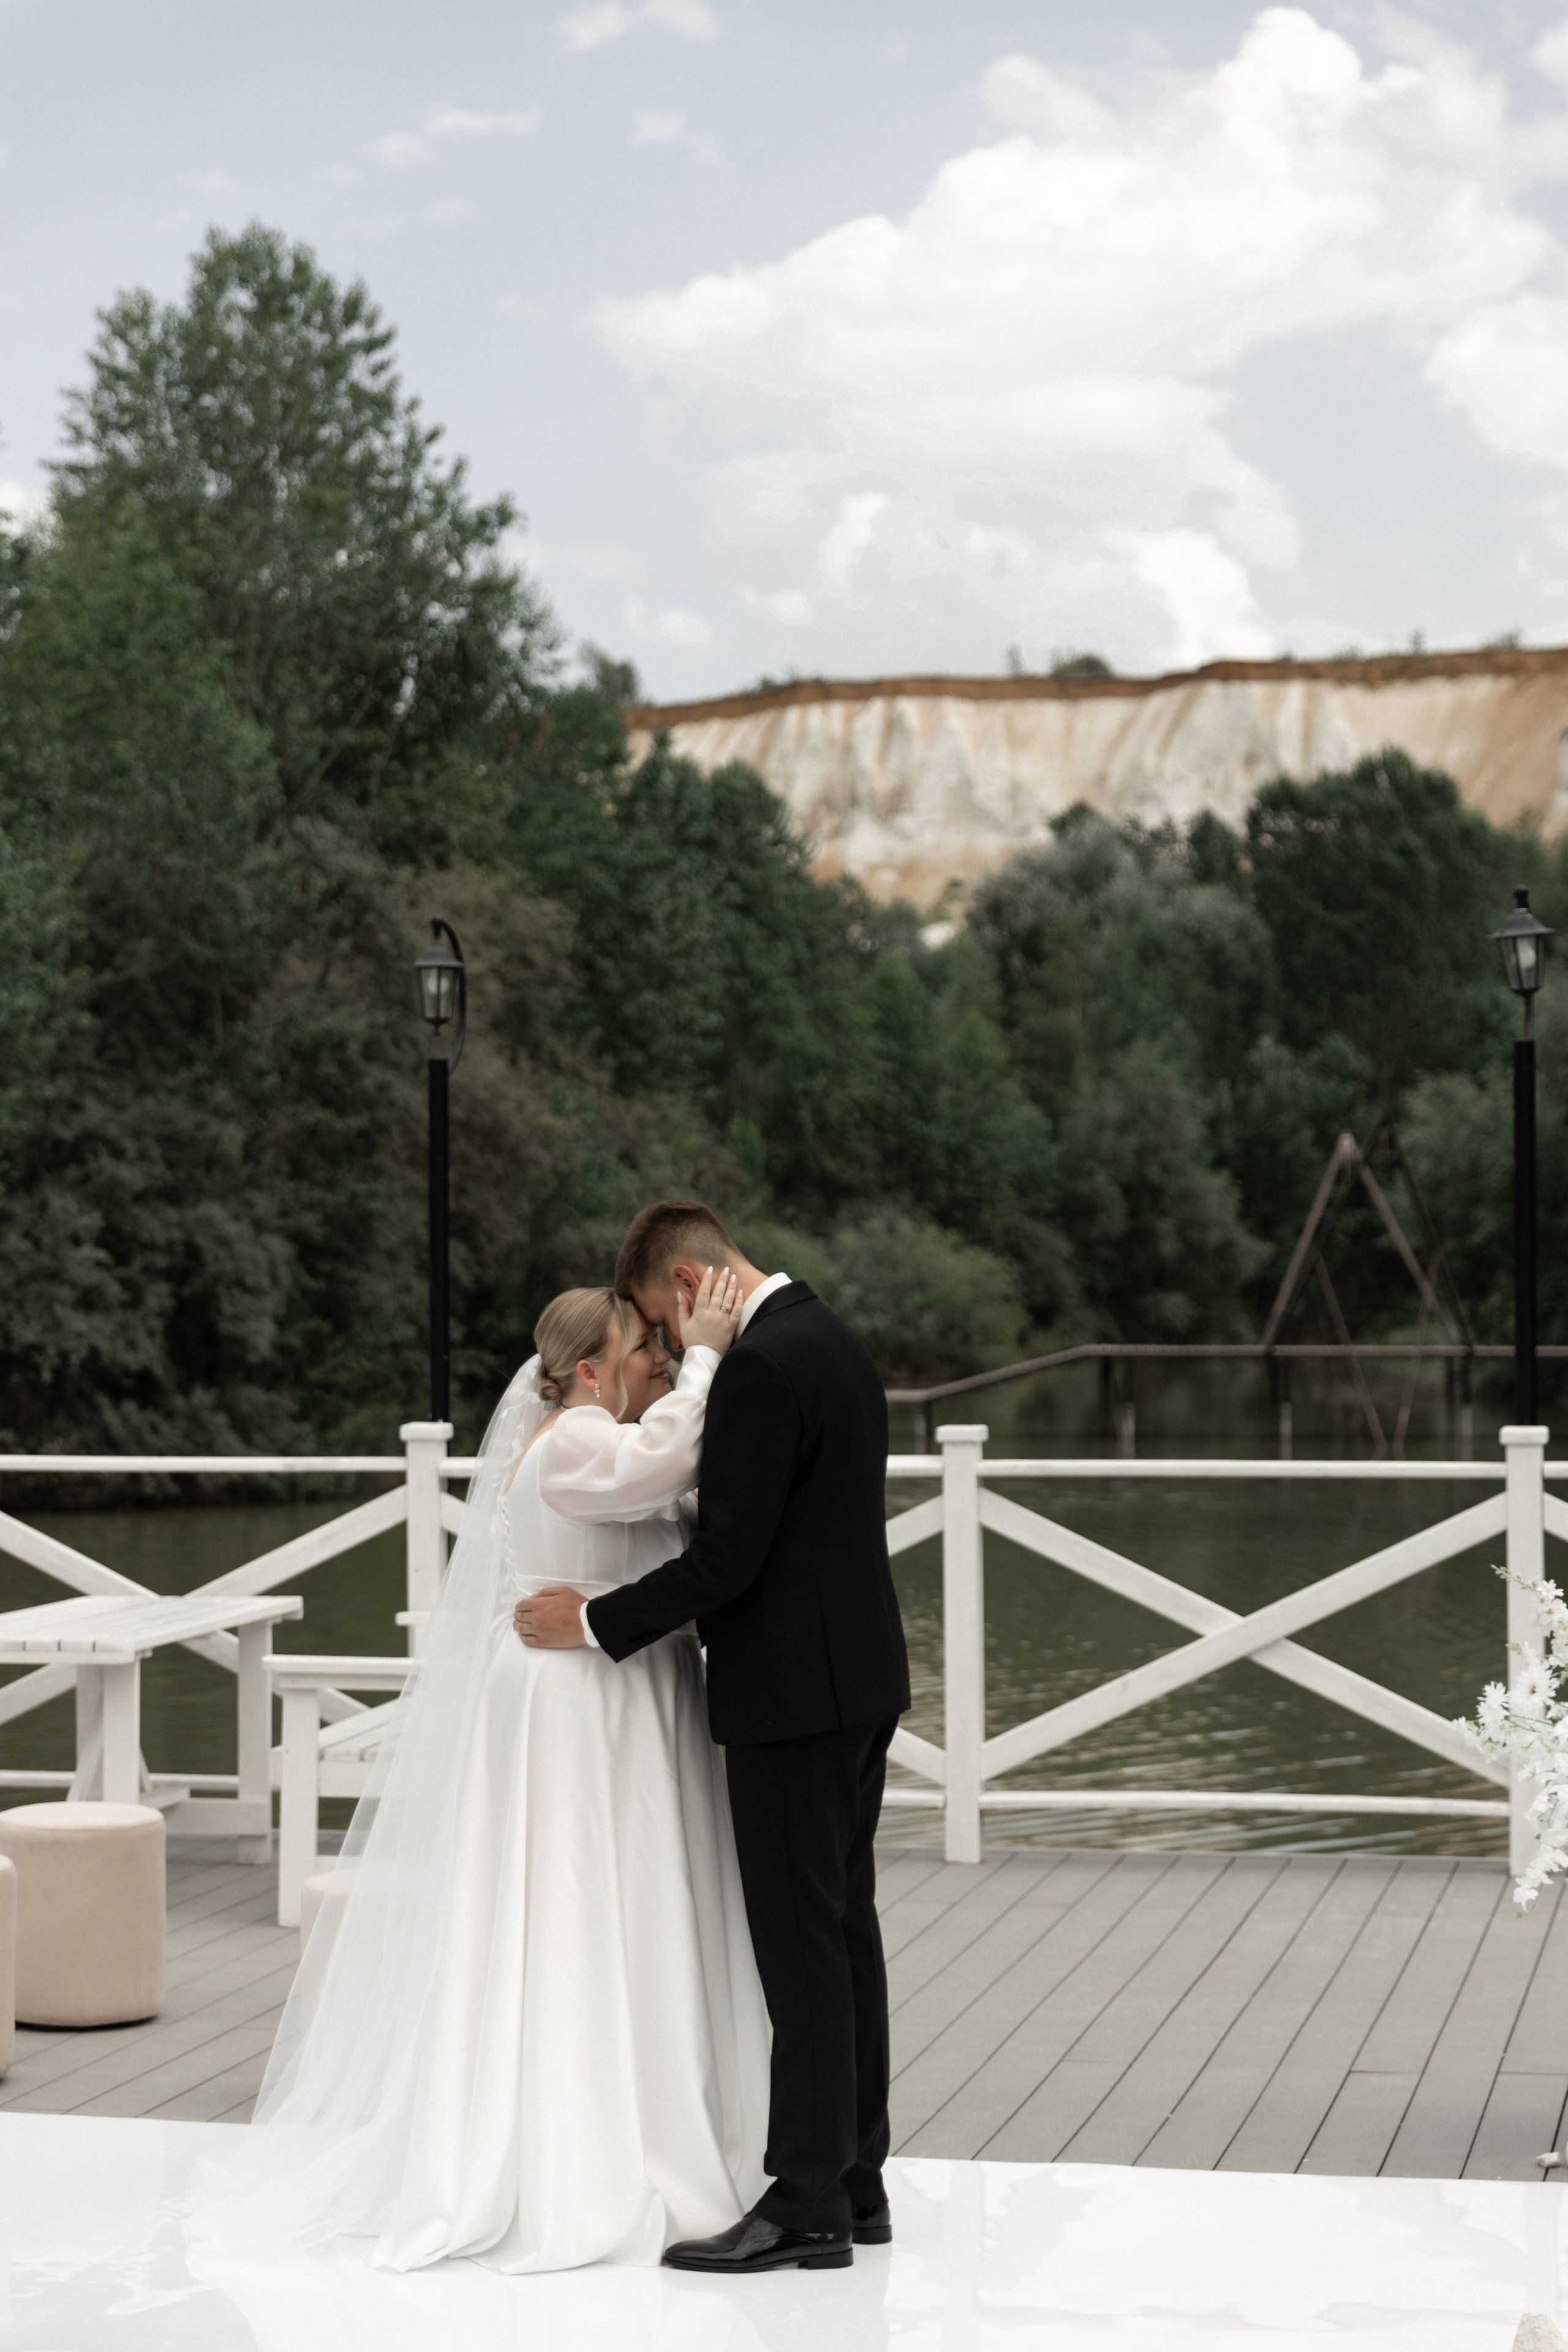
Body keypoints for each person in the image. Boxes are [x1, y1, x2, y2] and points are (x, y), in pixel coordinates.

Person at [190, 1272, 771, 2274]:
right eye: (645, 1352)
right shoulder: (586, 1438)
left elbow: (668, 1493)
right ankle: (602, 2141)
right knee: (590, 1898)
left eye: (667, 1354)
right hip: (582, 1702)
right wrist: (714, 1349)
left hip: (602, 1684)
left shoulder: (578, 1441)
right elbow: (669, 1451)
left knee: (600, 1895)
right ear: (589, 1371)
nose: (662, 1362)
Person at [517, 1199, 911, 2275]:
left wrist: (597, 1622)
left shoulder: (759, 1369)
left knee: (801, 1948)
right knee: (842, 1935)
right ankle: (859, 2181)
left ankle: (806, 2203)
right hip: (859, 1680)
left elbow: (726, 1561)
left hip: (790, 1696)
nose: (660, 1345)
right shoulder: (829, 1338)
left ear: (686, 1290)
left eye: (656, 1320)